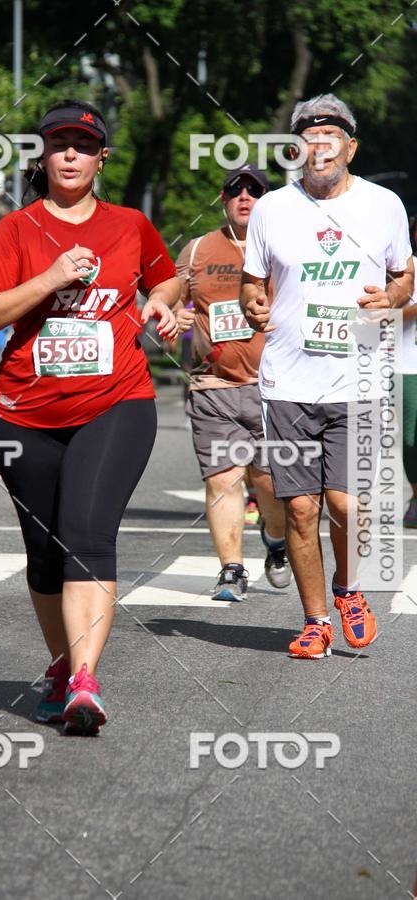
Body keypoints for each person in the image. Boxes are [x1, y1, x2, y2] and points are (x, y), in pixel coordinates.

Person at [0, 99, 180, 732]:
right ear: (44, 154)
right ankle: (60, 665)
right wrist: (51, 276)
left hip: (117, 402)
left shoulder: (130, 225)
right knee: (44, 550)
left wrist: (162, 304)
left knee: (86, 534)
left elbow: (165, 280)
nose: (70, 154)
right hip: (24, 413)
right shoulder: (17, 230)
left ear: (100, 158)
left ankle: (85, 681)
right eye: (59, 143)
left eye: (83, 146)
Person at [241, 93, 414, 658]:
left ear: (350, 146)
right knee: (298, 507)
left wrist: (390, 295)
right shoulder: (270, 209)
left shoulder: (384, 205)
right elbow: (251, 282)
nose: (320, 144)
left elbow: (404, 278)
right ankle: (315, 619)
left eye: (331, 134)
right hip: (288, 381)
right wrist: (252, 305)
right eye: (310, 135)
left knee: (346, 504)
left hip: (357, 376)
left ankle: (349, 588)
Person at [175, 164, 290, 601]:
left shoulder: (287, 247)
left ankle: (275, 542)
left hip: (276, 389)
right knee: (223, 479)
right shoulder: (199, 249)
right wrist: (173, 311)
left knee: (269, 484)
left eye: (255, 190)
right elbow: (167, 290)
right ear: (224, 200)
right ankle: (232, 570)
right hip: (214, 389)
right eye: (235, 190)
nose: (245, 196)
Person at [402, 215, 417, 527]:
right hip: (407, 364)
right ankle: (416, 496)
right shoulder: (405, 267)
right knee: (410, 437)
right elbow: (387, 312)